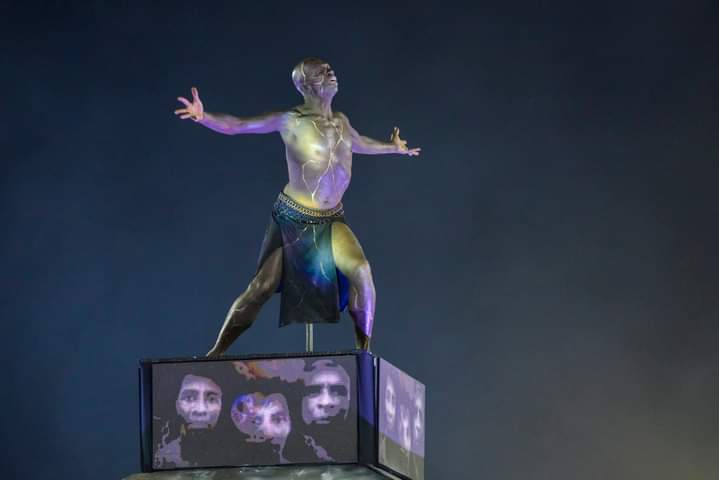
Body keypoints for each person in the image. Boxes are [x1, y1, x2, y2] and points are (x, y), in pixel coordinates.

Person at [174, 58, 421, 354]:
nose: (330, 73)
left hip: (331, 218)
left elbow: (359, 143)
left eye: (330, 69)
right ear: (306, 84)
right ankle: (216, 352)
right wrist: (204, 116)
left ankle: (363, 354)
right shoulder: (290, 120)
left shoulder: (341, 122)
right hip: (293, 218)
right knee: (262, 287)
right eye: (322, 72)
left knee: (361, 270)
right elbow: (238, 126)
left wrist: (392, 147)